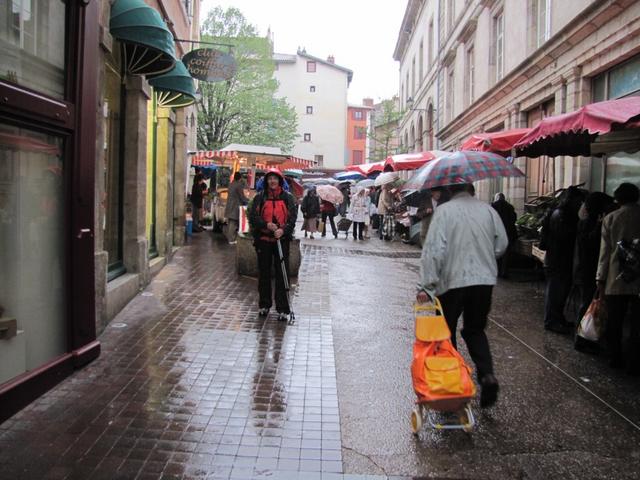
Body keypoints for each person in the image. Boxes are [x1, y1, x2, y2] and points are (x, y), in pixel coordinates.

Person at [417, 183, 508, 408]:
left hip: (452, 282)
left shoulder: (444, 212)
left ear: (450, 191)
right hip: (483, 281)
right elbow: (502, 244)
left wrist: (426, 286)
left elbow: (433, 251)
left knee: (446, 333)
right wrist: (485, 256)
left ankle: (453, 381)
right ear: (472, 190)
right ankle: (487, 375)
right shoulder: (488, 210)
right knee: (475, 329)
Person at [596, 183, 640, 374]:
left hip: (616, 276)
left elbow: (605, 252)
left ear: (618, 199)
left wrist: (600, 277)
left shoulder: (611, 218)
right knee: (637, 321)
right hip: (637, 277)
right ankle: (634, 358)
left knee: (615, 318)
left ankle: (615, 356)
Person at [248, 169, 298, 321]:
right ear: (266, 181)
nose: (272, 181)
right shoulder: (260, 197)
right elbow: (253, 217)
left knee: (282, 274)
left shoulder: (288, 198)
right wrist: (266, 225)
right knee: (264, 273)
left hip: (281, 241)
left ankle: (283, 308)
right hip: (264, 240)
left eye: (275, 179)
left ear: (280, 181)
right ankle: (264, 305)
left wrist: (282, 230)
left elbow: (292, 218)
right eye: (270, 179)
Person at [541, 186, 586, 334]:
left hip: (556, 259)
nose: (579, 204)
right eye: (578, 201)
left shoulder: (557, 213)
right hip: (558, 260)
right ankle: (552, 321)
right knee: (556, 292)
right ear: (572, 200)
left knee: (558, 291)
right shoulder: (562, 215)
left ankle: (556, 318)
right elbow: (564, 238)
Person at [566, 192, 615, 326]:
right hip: (587, 270)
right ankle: (582, 335)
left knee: (589, 302)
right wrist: (599, 225)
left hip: (587, 269)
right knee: (587, 303)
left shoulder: (588, 222)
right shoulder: (588, 223)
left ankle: (585, 333)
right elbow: (589, 244)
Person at [491, 193, 518, 278]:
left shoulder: (492, 206)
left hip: (496, 233)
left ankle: (496, 271)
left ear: (496, 198)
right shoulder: (510, 207)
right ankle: (504, 272)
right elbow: (514, 219)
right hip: (508, 233)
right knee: (506, 253)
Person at [224, 172, 248, 245]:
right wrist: (248, 201)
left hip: (229, 205)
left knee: (230, 222)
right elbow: (242, 196)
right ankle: (231, 239)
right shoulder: (239, 185)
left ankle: (229, 238)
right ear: (240, 178)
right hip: (235, 206)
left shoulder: (231, 184)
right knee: (233, 223)